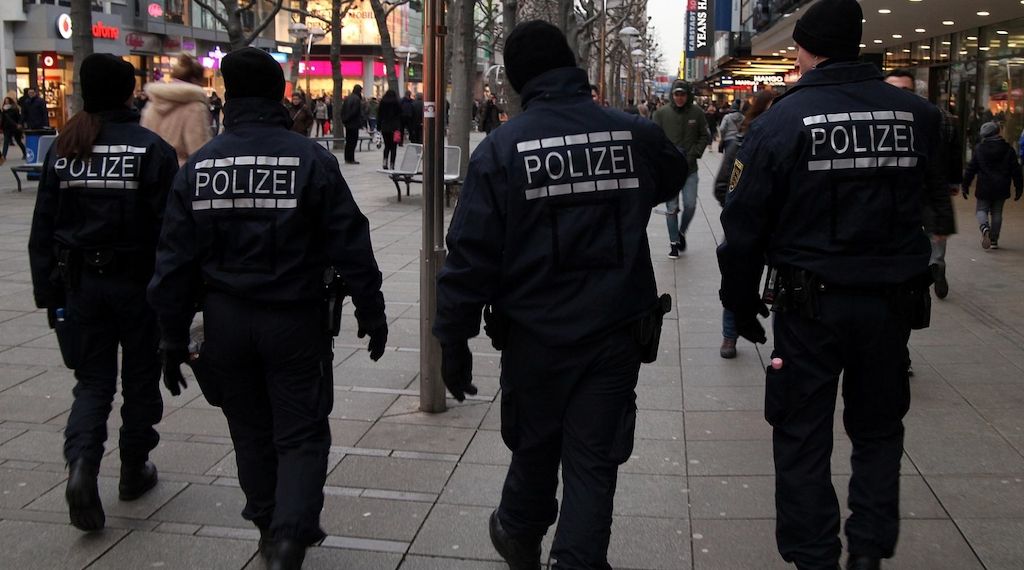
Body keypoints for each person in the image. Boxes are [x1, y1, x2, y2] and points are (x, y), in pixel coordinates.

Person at [433, 21, 685, 570]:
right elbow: (671, 176)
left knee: (536, 438)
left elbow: (470, 257)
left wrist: (452, 339)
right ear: (572, 64)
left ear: (520, 82)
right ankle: (559, 551)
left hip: (534, 335)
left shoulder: (502, 149)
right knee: (593, 461)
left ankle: (519, 530)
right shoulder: (632, 134)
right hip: (613, 331)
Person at [716, 1, 955, 568]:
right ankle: (868, 551)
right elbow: (933, 198)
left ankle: (814, 555)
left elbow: (743, 222)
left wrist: (740, 302)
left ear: (806, 48)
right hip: (890, 304)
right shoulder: (916, 115)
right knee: (877, 431)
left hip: (810, 307)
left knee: (801, 434)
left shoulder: (780, 119)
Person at [147, 48, 389, 570]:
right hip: (294, 319)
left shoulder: (202, 167)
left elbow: (173, 263)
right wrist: (372, 309)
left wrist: (169, 337)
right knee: (300, 430)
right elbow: (351, 241)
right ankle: (289, 535)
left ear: (229, 97)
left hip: (226, 321)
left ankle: (267, 524)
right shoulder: (309, 159)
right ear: (279, 93)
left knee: (250, 430)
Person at [28, 54, 179, 533]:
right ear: (127, 92)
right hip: (138, 287)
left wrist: (48, 295)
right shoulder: (150, 150)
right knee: (139, 380)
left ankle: (81, 468)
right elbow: (171, 233)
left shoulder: (64, 149)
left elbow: (43, 229)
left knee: (92, 383)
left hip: (81, 287)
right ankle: (133, 470)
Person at [884, 69, 963, 299]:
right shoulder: (943, 116)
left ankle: (931, 266)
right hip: (898, 193)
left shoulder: (935, 118)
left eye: (904, 90)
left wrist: (952, 182)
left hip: (925, 186)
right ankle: (932, 263)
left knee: (931, 230)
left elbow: (951, 154)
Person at [712, 90, 774, 359]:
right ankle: (729, 335)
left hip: (779, 227)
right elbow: (723, 184)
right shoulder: (742, 141)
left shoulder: (789, 140)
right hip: (747, 226)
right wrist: (738, 211)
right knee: (736, 278)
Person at [652, 79, 709, 258]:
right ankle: (674, 242)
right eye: (676, 94)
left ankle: (681, 232)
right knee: (672, 208)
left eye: (682, 94)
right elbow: (654, 138)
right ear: (672, 95)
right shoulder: (661, 114)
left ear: (687, 95)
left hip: (690, 169)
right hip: (670, 170)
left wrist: (694, 153)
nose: (679, 98)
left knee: (690, 205)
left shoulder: (697, 113)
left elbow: (704, 135)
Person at [141, 55, 212, 167]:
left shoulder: (153, 104)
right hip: (181, 174)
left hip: (154, 171)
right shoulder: (195, 107)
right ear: (195, 80)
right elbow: (199, 152)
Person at [963, 122, 1023, 250]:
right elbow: (1016, 170)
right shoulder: (1008, 149)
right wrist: (1019, 187)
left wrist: (965, 185)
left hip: (984, 186)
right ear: (997, 132)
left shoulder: (980, 148)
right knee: (997, 212)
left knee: (981, 209)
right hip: (1002, 186)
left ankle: (984, 227)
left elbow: (971, 168)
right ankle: (994, 239)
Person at [377, 89, 402, 170]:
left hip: (385, 127)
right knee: (394, 147)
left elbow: (379, 115)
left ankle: (385, 161)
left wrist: (378, 127)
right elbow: (400, 116)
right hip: (394, 128)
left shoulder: (383, 102)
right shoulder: (397, 103)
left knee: (387, 146)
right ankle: (392, 164)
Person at [341, 84, 364, 164]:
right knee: (353, 141)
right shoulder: (357, 99)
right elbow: (355, 111)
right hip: (354, 123)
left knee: (348, 141)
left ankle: (347, 158)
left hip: (348, 123)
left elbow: (343, 110)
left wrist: (344, 119)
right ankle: (351, 158)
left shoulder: (348, 98)